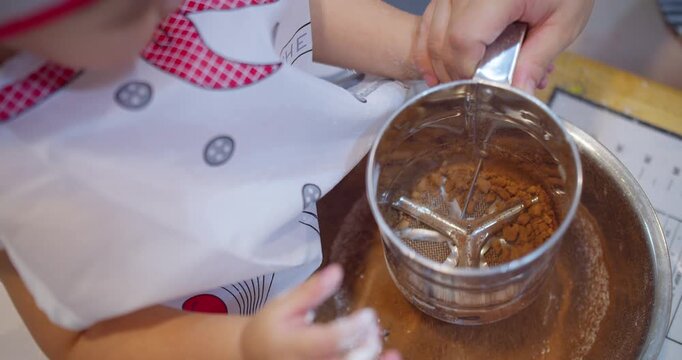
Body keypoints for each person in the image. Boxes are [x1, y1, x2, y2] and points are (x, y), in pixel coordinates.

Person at [0, 0, 593, 358]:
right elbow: (79, 344)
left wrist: (416, 47)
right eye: (131, 11)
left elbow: (289, 14)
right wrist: (242, 348)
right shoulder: (22, 167)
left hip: (327, 209)